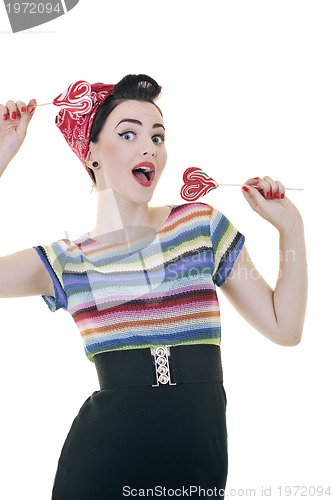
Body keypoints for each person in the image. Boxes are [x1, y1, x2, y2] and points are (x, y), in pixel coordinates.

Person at [0, 74, 307, 499]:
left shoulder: (200, 226)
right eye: (128, 134)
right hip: (100, 468)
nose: (149, 147)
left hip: (197, 466)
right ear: (91, 154)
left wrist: (291, 230)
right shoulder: (67, 260)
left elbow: (285, 328)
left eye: (158, 137)